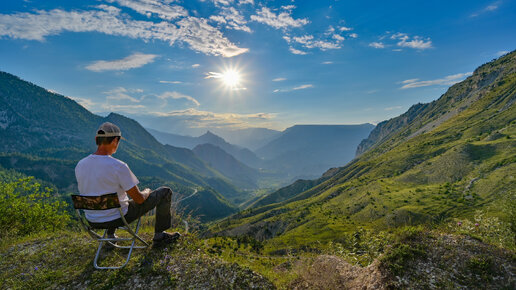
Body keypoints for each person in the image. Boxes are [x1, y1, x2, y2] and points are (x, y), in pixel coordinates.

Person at [75, 122, 180, 246]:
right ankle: (159, 235)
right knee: (165, 192)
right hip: (117, 217)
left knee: (111, 198)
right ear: (115, 140)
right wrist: (147, 192)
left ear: (96, 139)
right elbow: (139, 199)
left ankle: (110, 236)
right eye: (118, 142)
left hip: (92, 219)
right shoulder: (118, 166)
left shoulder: (80, 165)